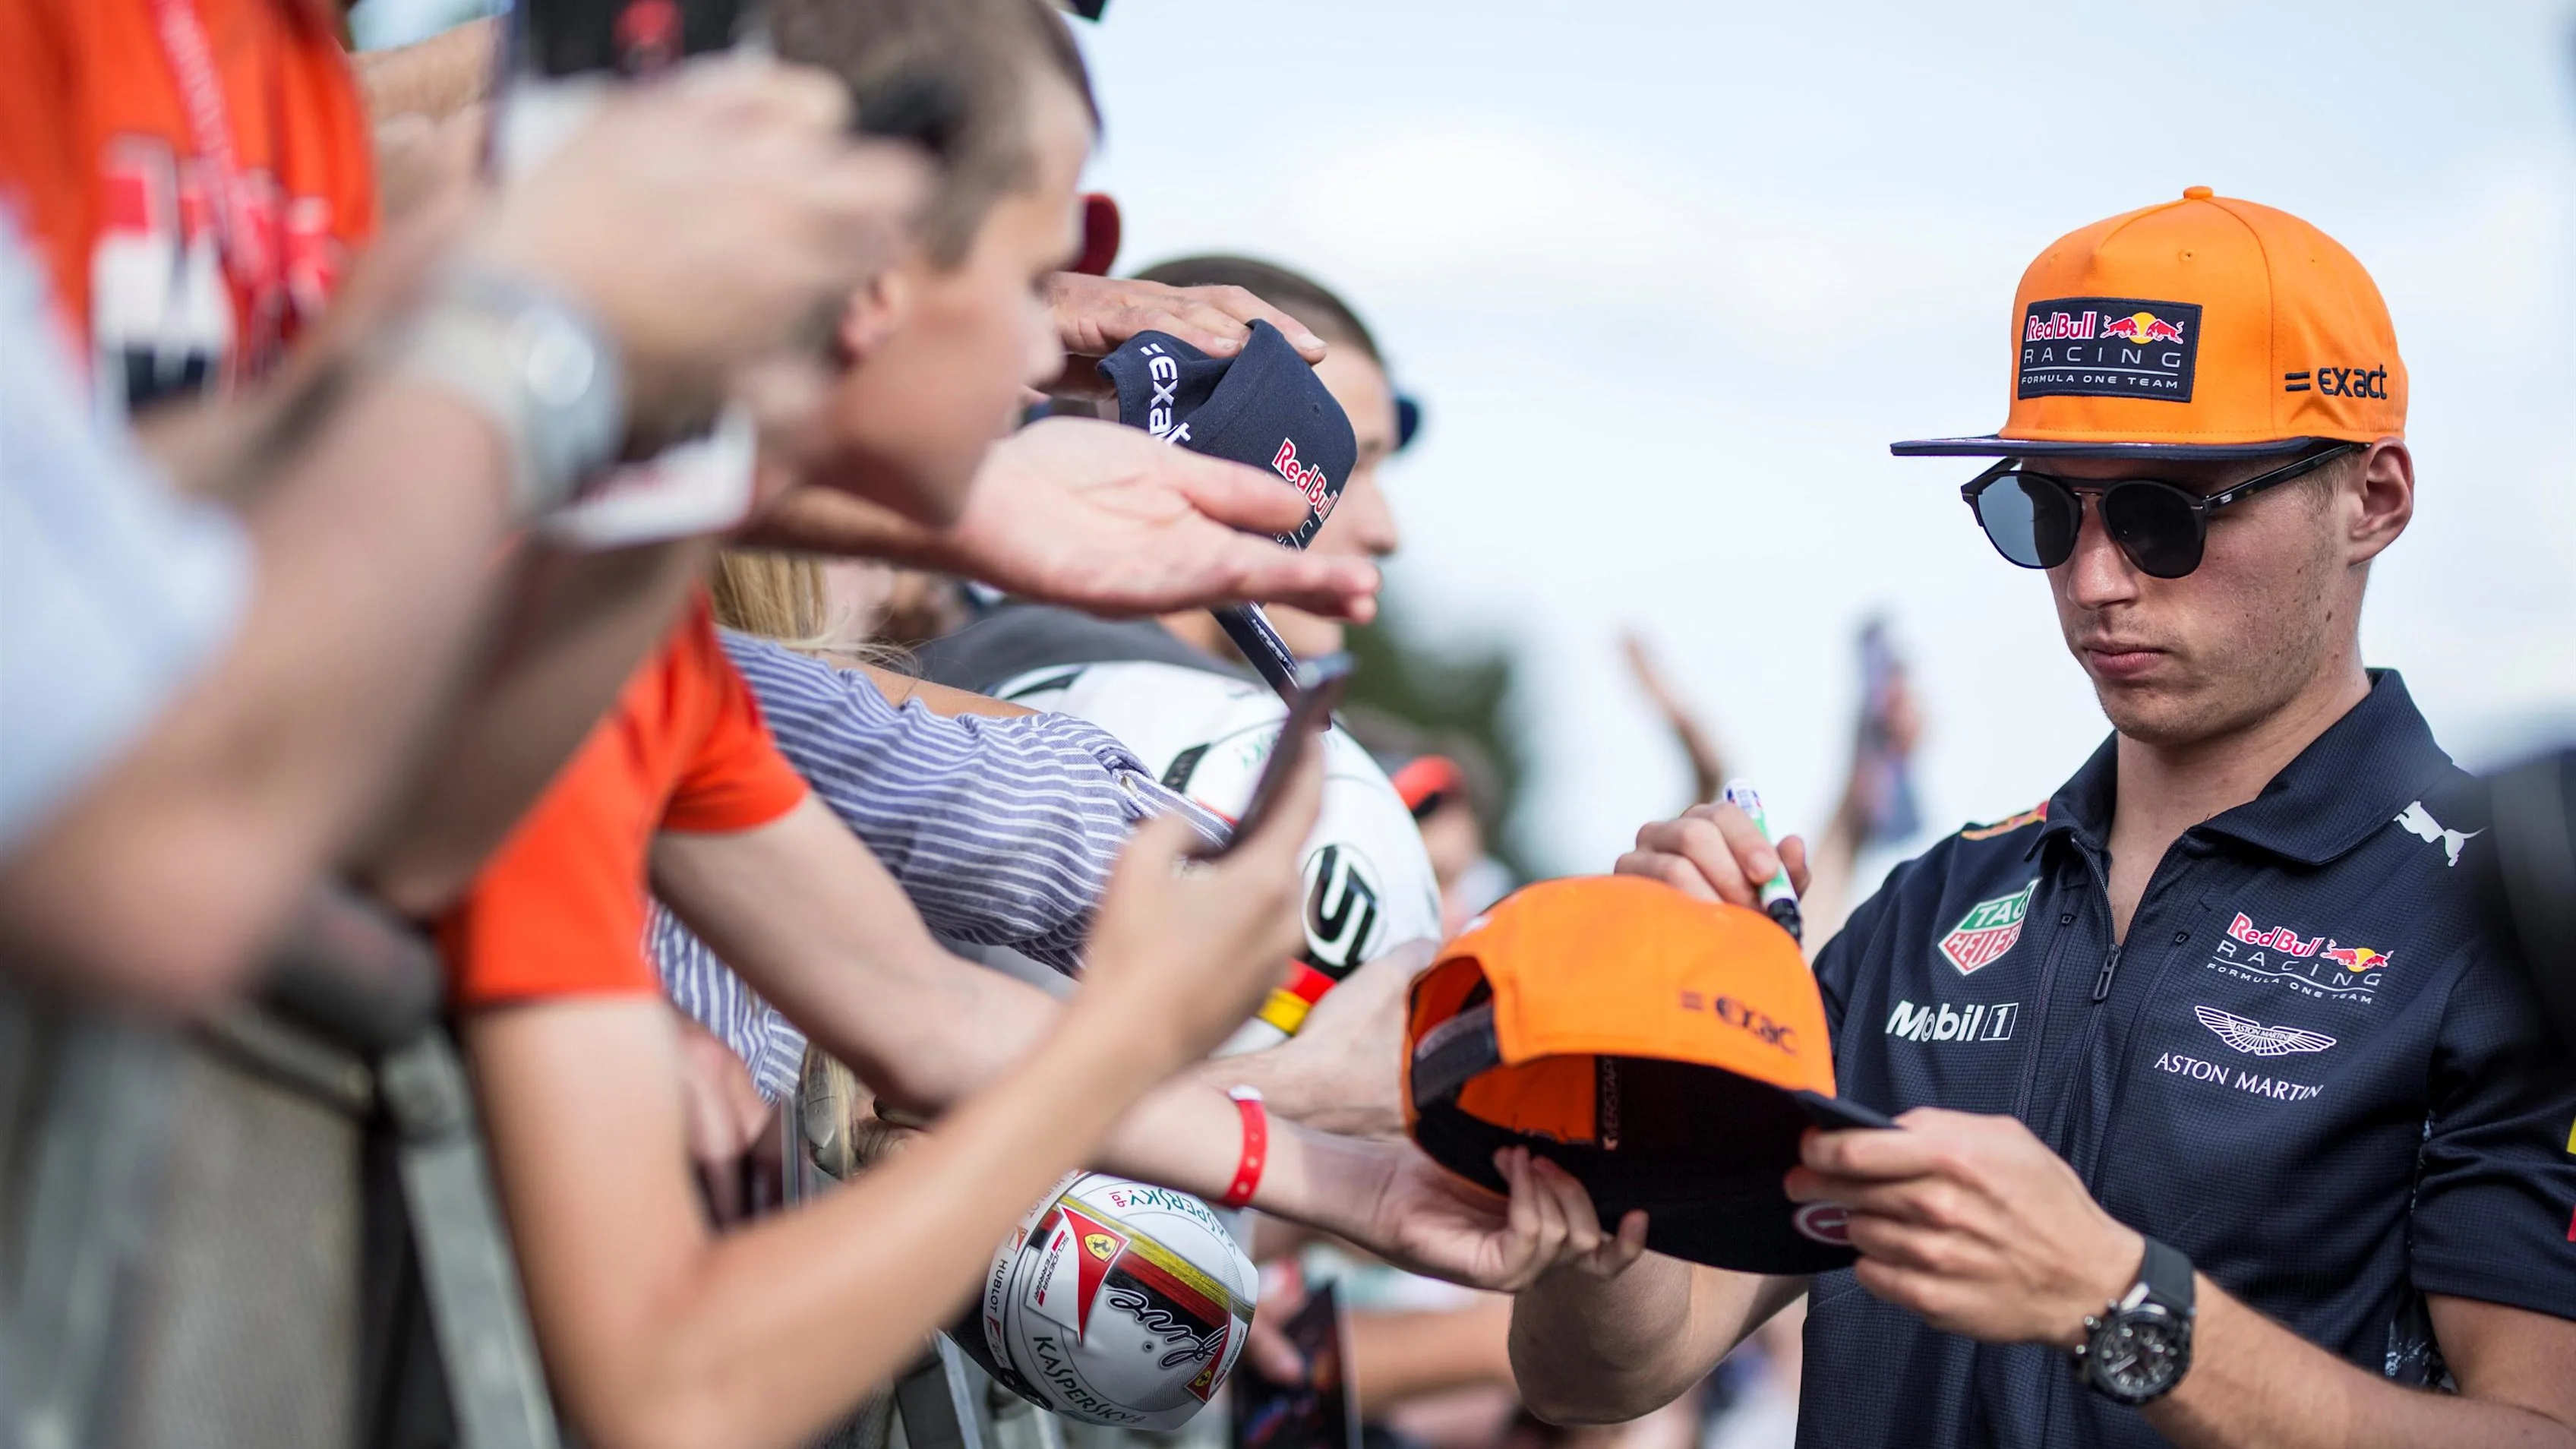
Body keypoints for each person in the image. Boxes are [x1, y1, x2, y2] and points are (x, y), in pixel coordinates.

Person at [440, 6, 1593, 1444]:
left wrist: (1340, 1175)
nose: (1066, 337)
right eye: (1028, 275)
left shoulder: (642, 649)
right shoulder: (513, 617)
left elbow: (928, 1021)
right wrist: (1139, 1039)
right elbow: (673, 1397)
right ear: (872, 276)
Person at [1509, 191, 2576, 1447]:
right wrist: (1629, 1091)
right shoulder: (1935, 905)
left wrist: (2116, 1303)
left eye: (2165, 515)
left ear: (2375, 499)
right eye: (2047, 512)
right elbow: (1601, 1376)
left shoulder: (2504, 922)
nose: (2095, 578)